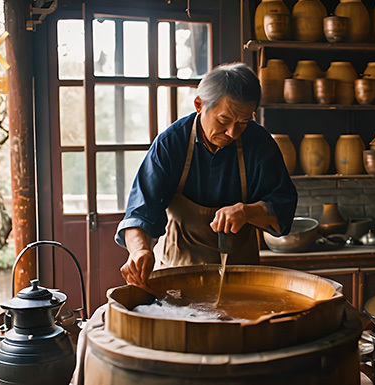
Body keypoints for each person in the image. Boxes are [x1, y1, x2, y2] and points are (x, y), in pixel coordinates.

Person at [114, 62, 298, 288]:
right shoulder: (171, 144)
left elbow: (283, 205)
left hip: (242, 275)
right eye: (223, 120)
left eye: (243, 122)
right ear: (199, 105)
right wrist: (139, 250)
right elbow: (141, 211)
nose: (232, 132)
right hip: (179, 272)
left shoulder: (259, 144)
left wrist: (248, 211)